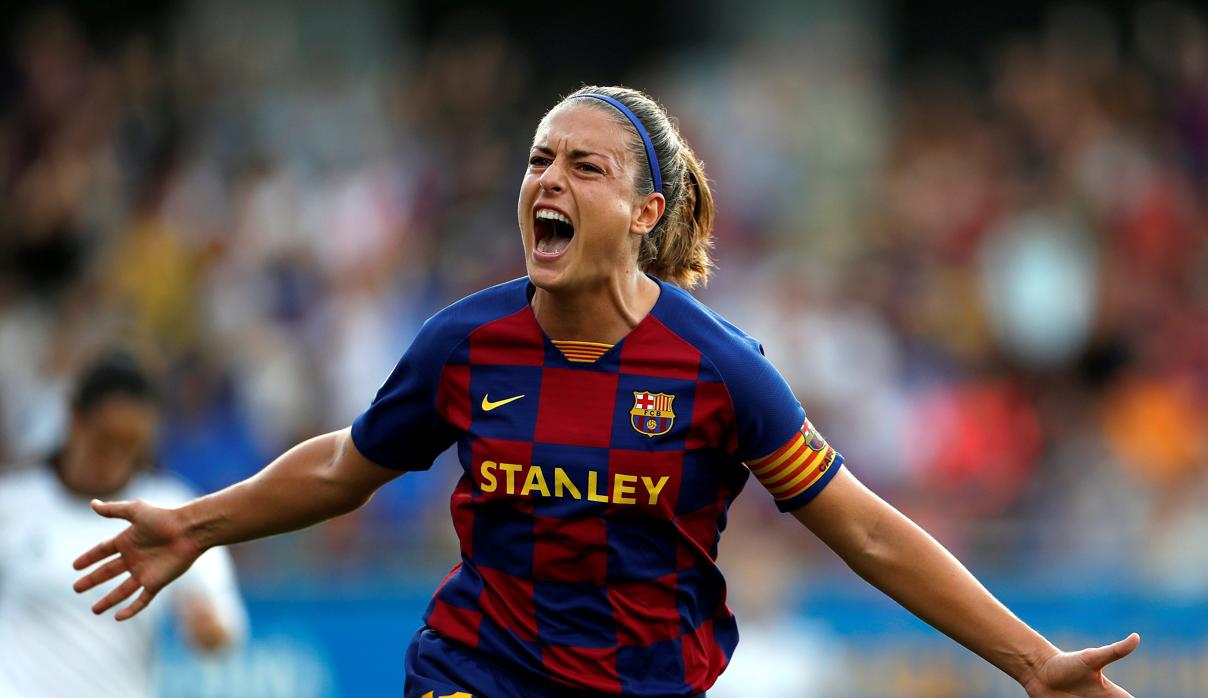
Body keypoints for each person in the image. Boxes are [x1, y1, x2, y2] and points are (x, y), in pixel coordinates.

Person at [73, 86, 1138, 697]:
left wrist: (1034, 660)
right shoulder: (464, 343)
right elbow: (348, 464)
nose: (548, 180)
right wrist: (199, 523)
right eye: (541, 159)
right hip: (471, 672)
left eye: (586, 167)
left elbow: (868, 531)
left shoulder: (722, 370)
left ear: (645, 211)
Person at [1, 349, 247, 698]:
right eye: (106, 439)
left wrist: (208, 627)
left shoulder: (171, 508)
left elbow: (225, 625)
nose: (116, 456)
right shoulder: (11, 503)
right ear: (75, 417)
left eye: (131, 444)